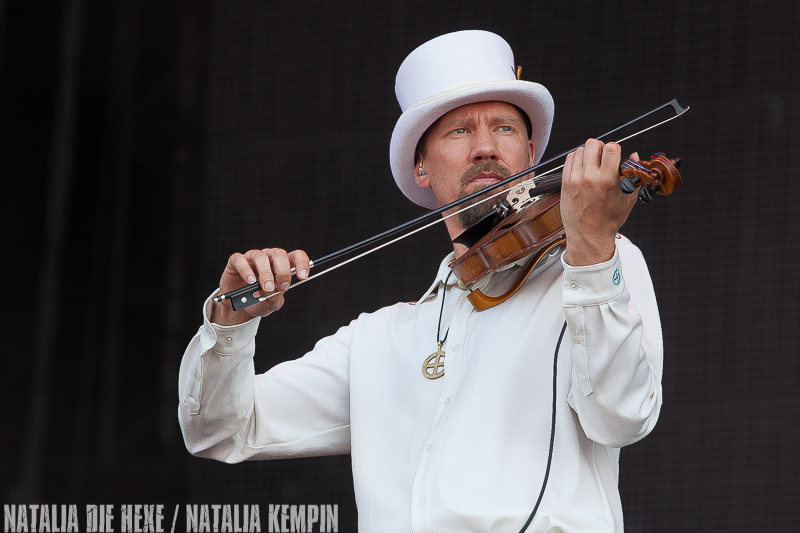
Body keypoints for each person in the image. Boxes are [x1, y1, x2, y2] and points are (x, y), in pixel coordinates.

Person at [179, 30, 663, 533]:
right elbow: (219, 430)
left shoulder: (597, 266)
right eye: (459, 132)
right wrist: (229, 323)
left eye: (503, 128)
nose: (484, 148)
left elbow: (623, 417)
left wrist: (589, 250)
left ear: (532, 153)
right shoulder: (379, 341)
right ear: (422, 166)